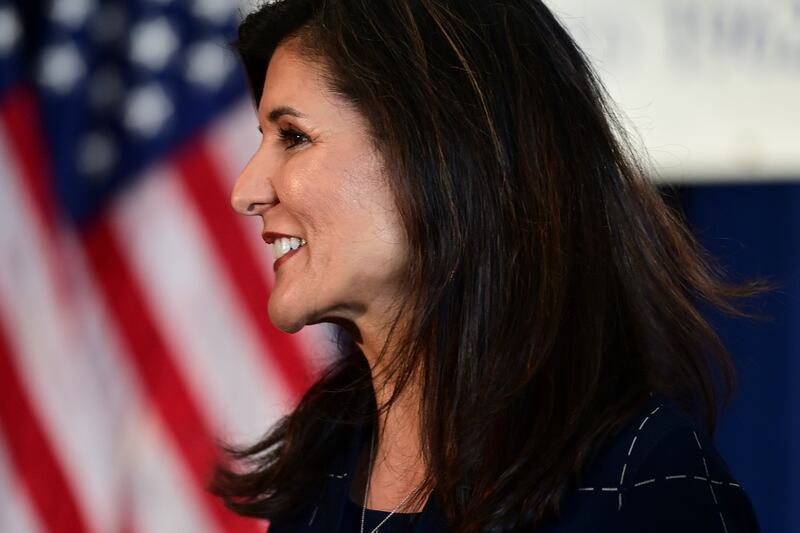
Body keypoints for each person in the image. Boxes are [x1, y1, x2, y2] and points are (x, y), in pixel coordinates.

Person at [211, 0, 764, 531]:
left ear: (446, 154)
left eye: (294, 136)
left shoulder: (641, 480)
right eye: (265, 138)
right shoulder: (319, 472)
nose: (245, 191)